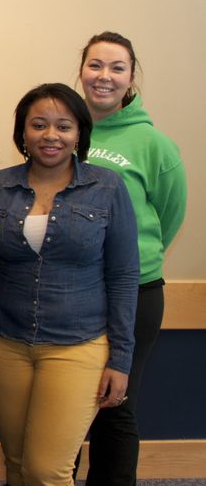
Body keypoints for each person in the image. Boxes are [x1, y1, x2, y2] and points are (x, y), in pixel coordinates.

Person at [0, 83, 140, 485]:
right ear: (22, 133)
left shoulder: (107, 188)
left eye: (63, 127)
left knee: (46, 471)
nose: (50, 136)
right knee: (16, 464)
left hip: (78, 346)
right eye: (39, 125)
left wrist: (120, 359)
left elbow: (123, 276)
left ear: (79, 134)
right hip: (5, 343)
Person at [78, 32, 187, 485]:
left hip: (135, 294)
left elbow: (168, 214)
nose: (104, 77)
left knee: (115, 406)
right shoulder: (64, 130)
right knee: (64, 408)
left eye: (117, 68)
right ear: (81, 71)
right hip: (76, 290)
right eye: (96, 65)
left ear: (131, 77)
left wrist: (131, 257)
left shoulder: (153, 144)